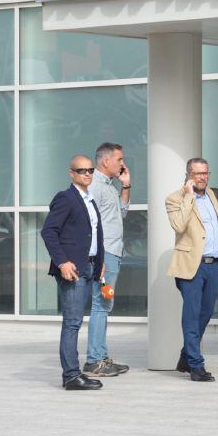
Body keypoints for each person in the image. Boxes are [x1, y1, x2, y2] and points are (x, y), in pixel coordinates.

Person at [166, 157, 218, 382]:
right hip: (190, 267)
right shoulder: (174, 199)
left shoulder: (214, 196)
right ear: (188, 175)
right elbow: (179, 225)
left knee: (205, 313)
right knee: (192, 314)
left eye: (205, 173)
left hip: (212, 265)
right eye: (197, 174)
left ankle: (186, 356)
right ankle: (196, 366)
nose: (202, 177)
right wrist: (189, 196)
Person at [41, 155, 106, 390]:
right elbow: (48, 232)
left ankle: (75, 373)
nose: (87, 174)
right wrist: (62, 262)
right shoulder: (65, 198)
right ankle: (70, 376)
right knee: (72, 323)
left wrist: (100, 262)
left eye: (90, 170)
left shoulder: (89, 200)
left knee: (77, 321)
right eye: (81, 171)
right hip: (73, 269)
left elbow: (94, 235)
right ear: (71, 173)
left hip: (89, 267)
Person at [83, 142, 131, 378]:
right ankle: (94, 360)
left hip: (113, 253)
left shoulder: (109, 186)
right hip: (104, 255)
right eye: (119, 159)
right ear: (106, 161)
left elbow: (121, 212)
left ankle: (100, 357)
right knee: (100, 305)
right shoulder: (95, 186)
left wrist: (126, 186)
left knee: (105, 304)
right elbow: (89, 223)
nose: (122, 163)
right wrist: (99, 257)